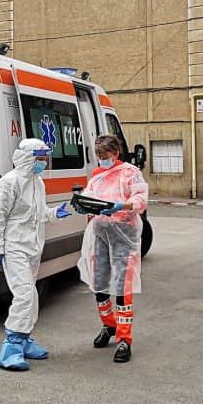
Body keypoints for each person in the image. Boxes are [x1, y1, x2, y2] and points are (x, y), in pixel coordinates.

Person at [0, 138, 71, 371]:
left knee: (31, 295)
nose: (43, 162)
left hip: (33, 248)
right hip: (13, 247)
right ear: (27, 158)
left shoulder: (37, 183)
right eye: (40, 157)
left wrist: (54, 213)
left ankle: (24, 339)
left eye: (45, 157)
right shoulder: (8, 183)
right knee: (24, 295)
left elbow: (38, 214)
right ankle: (10, 348)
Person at [77, 134, 149, 363]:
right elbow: (90, 195)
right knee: (99, 282)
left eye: (105, 156)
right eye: (99, 157)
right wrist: (83, 204)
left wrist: (122, 205)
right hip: (100, 232)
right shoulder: (97, 174)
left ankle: (124, 339)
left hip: (123, 234)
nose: (102, 160)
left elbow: (140, 199)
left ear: (116, 153)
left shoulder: (130, 172)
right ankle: (108, 325)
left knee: (121, 286)